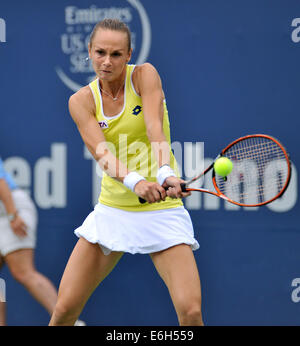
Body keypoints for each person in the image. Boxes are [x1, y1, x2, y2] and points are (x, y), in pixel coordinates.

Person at [49, 18, 204, 326]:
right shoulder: (80, 101)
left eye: (116, 54)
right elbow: (102, 154)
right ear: (90, 51)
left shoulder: (145, 76)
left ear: (129, 54)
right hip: (113, 211)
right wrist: (136, 183)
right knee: (64, 310)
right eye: (101, 52)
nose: (107, 61)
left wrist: (162, 174)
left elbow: (154, 128)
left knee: (191, 312)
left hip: (163, 212)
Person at [0, 157, 58, 325]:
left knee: (23, 272)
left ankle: (69, 322)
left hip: (10, 208)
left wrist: (13, 215)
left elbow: (0, 182)